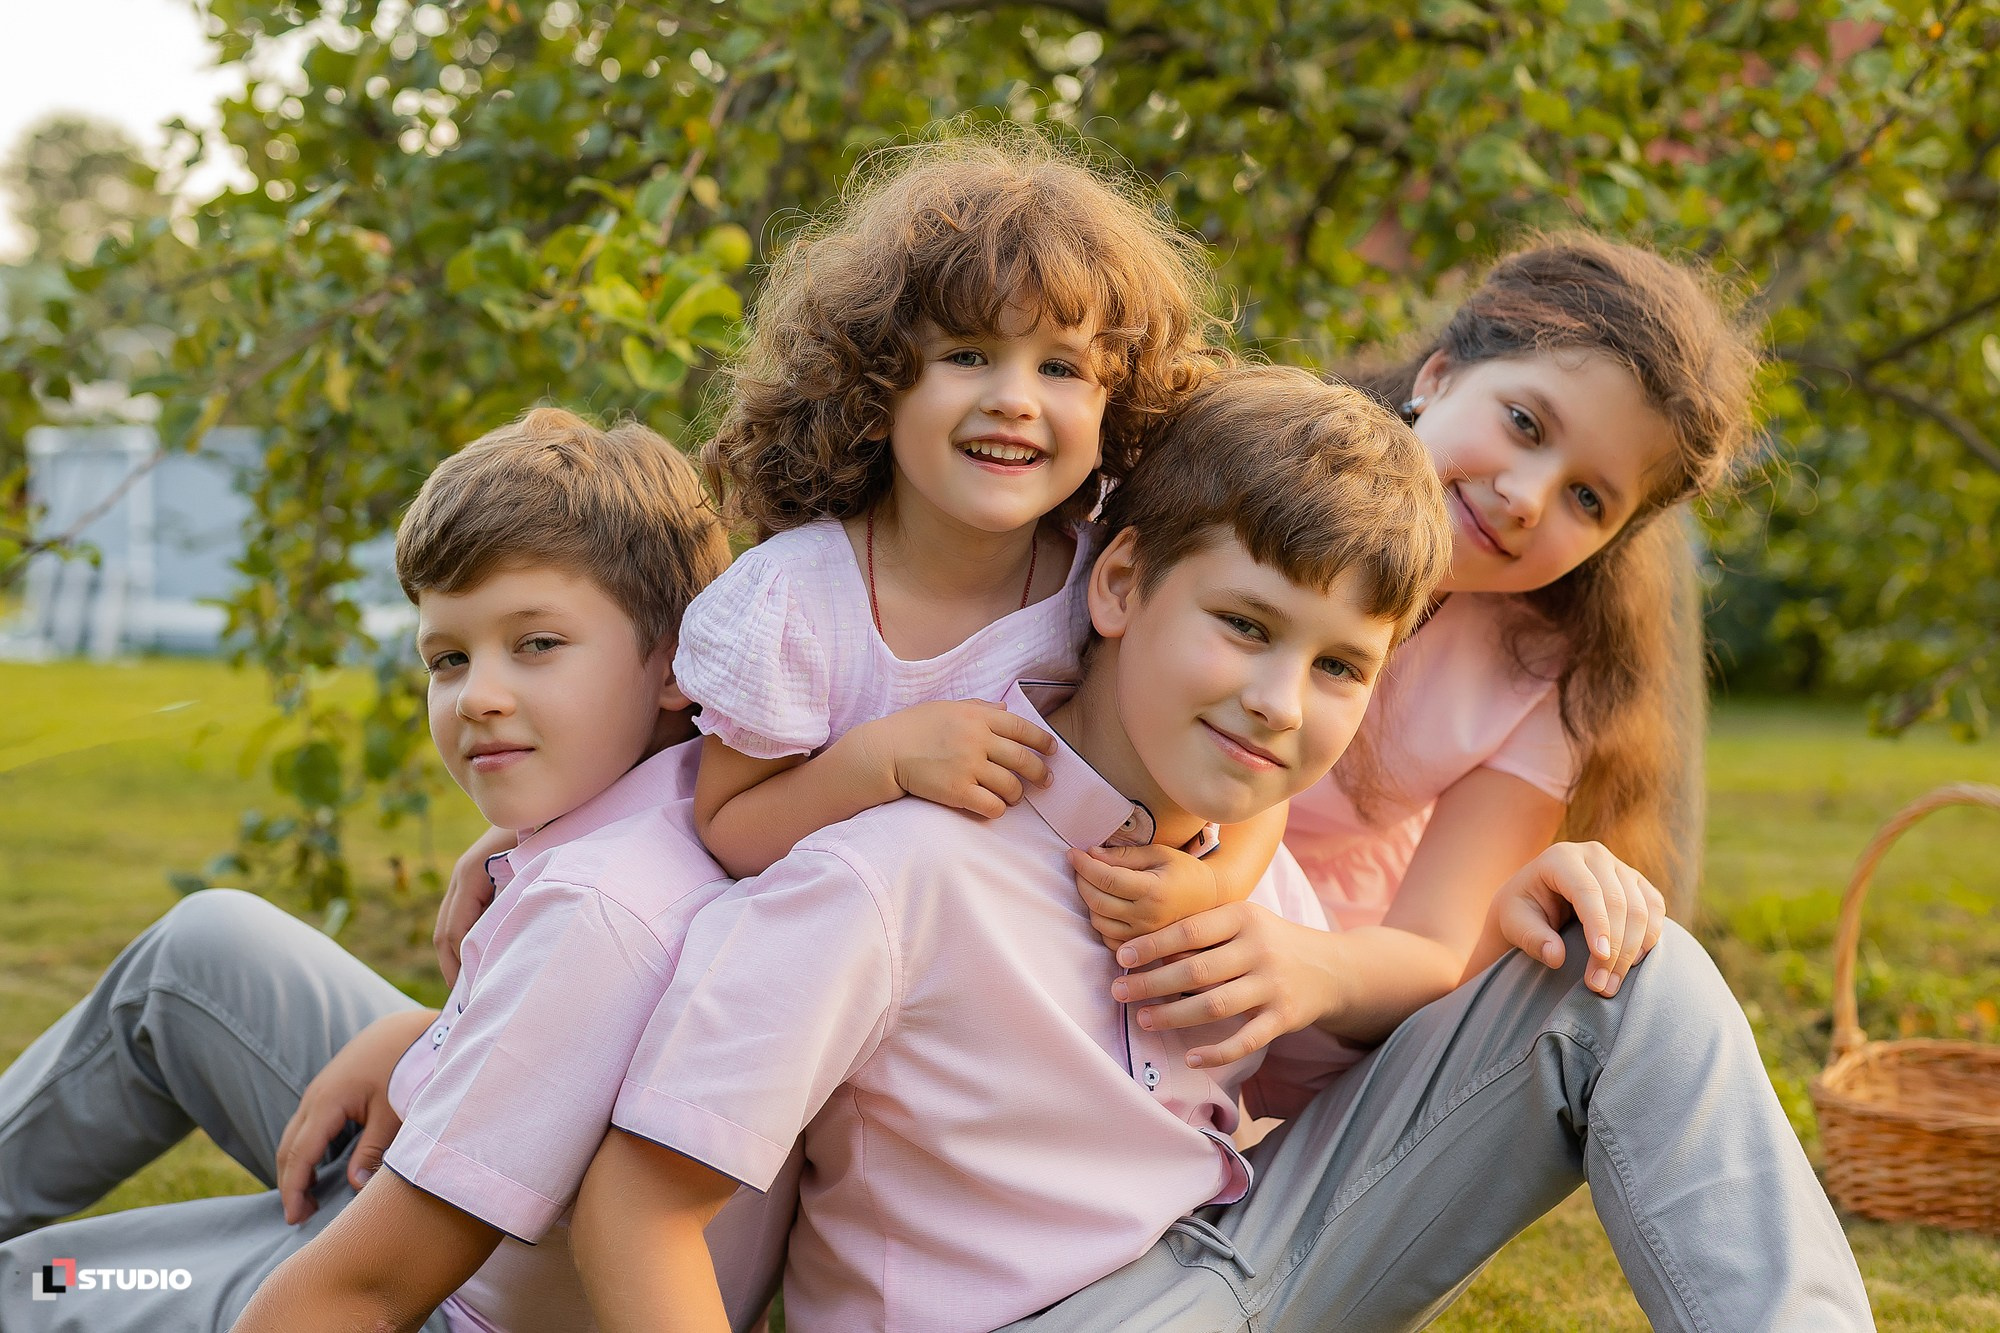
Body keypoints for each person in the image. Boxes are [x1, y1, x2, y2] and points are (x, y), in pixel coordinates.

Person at [569, 366, 1871, 1332]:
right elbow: (638, 1206)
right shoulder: (899, 871)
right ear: (1121, 584)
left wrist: (1528, 913)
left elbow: (1399, 1086)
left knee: (1632, 979)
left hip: (1243, 1261)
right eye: (1245, 626)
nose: (1279, 701)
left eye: (1340, 666)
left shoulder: (1249, 877)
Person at [433, 128, 1285, 979]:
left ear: (1115, 399)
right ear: (879, 383)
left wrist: (1216, 885)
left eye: (1061, 369)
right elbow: (727, 831)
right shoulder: (798, 602)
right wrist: (883, 761)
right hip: (842, 984)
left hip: (1042, 976)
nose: (1014, 400)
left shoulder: (1111, 583)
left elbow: (1250, 759)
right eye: (967, 355)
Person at [0, 410, 782, 1333]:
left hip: (422, 1295)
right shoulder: (718, 800)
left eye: (536, 644)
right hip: (435, 1188)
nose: (480, 696)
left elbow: (364, 1295)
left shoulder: (592, 908)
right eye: (448, 657)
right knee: (202, 948)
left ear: (677, 661)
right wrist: (430, 1028)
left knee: (43, 1284)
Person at [1110, 234, 1768, 1080]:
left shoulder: (1538, 672)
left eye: (1588, 497)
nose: (1527, 497)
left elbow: (1432, 946)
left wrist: (1307, 963)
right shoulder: (1255, 481)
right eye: (1525, 423)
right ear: (1439, 375)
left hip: (1330, 968)